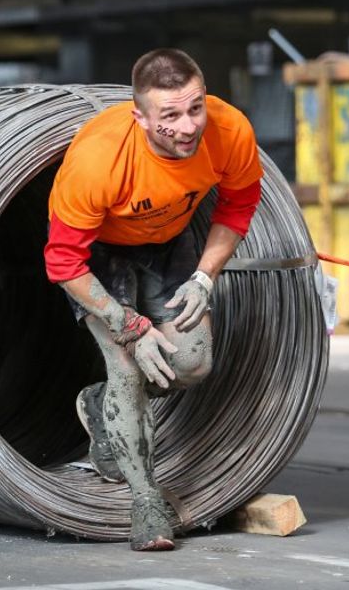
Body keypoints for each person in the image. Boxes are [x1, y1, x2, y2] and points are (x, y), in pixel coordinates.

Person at [44, 48, 263, 551]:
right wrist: (131, 325)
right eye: (170, 116)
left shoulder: (229, 131)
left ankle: (98, 405)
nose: (188, 127)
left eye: (195, 108)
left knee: (191, 363)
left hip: (169, 244)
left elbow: (240, 202)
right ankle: (145, 502)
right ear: (138, 116)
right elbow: (63, 264)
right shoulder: (99, 160)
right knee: (127, 365)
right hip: (98, 253)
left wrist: (205, 277)